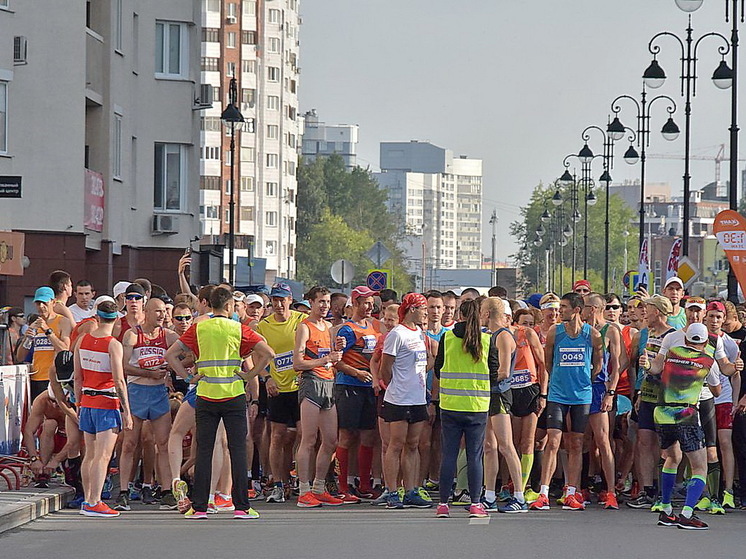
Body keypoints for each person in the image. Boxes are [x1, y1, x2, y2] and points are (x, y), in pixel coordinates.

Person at [166, 286, 274, 520]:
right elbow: (268, 352)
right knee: (236, 450)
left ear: (210, 305)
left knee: (204, 451)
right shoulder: (238, 328)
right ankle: (242, 507)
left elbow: (170, 355)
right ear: (228, 306)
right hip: (233, 394)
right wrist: (250, 374)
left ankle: (200, 508)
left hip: (205, 394)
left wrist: (187, 378)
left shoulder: (199, 327)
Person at [641, 323, 722, 530]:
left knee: (672, 458)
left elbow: (655, 368)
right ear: (705, 342)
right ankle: (687, 514)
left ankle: (666, 509)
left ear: (686, 339)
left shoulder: (671, 352)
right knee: (700, 467)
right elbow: (717, 391)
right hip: (686, 414)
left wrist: (647, 365)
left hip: (662, 412)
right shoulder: (707, 361)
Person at [530, 292, 602, 511]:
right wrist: (558, 380)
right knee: (553, 441)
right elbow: (548, 362)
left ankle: (571, 491)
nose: (559, 310)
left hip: (581, 395)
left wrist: (584, 381)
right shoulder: (555, 332)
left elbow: (598, 364)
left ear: (577, 310)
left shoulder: (593, 335)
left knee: (577, 443)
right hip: (558, 394)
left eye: (563, 306)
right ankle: (543, 492)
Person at [115, 297, 179, 510]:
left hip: (159, 393)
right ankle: (123, 491)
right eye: (158, 311)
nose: (162, 315)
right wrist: (148, 373)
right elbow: (123, 367)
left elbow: (189, 353)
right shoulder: (133, 334)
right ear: (147, 312)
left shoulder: (168, 335)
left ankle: (166, 490)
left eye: (164, 311)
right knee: (130, 443)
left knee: (163, 443)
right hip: (137, 392)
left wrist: (171, 367)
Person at [74, 300, 133, 518]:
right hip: (106, 403)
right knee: (103, 456)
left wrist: (79, 404)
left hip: (87, 402)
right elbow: (119, 380)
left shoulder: (82, 340)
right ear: (116, 319)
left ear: (97, 317)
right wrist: (127, 412)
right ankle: (94, 501)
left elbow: (77, 377)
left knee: (90, 454)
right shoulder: (113, 344)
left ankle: (88, 498)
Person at [433, 299, 491, 519]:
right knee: (474, 456)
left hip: (450, 404)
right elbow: (493, 372)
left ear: (460, 315)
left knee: (448, 454)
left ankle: (443, 505)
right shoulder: (486, 339)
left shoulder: (447, 337)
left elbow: (438, 370)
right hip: (477, 405)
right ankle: (476, 503)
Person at [292, 286, 345, 508]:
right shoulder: (305, 327)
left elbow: (329, 357)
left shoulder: (329, 327)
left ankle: (318, 487)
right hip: (311, 383)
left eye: (326, 302)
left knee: (331, 440)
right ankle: (303, 490)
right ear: (311, 303)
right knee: (309, 439)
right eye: (320, 302)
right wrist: (325, 360)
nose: (324, 306)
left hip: (328, 383)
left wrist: (337, 351)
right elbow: (297, 363)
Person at [379, 293, 432, 509]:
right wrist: (398, 384)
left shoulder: (420, 333)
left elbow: (426, 360)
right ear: (412, 309)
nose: (426, 313)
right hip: (398, 399)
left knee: (413, 445)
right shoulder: (396, 334)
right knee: (396, 444)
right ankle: (392, 491)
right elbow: (385, 368)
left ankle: (411, 490)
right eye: (423, 309)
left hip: (417, 397)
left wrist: (416, 379)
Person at [254, 282, 306, 503]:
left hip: (300, 386)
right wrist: (266, 377)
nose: (278, 304)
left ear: (290, 300)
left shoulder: (300, 321)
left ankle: (301, 480)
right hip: (278, 387)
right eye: (274, 300)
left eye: (282, 300)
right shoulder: (263, 326)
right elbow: (255, 355)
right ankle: (277, 483)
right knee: (277, 436)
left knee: (303, 434)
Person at [626, 294, 675, 508]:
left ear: (658, 311)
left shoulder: (674, 336)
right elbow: (640, 367)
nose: (644, 312)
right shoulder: (647, 334)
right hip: (646, 394)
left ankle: (663, 488)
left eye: (648, 308)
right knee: (644, 440)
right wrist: (638, 393)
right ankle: (647, 490)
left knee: (666, 446)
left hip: (666, 397)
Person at [334, 286, 383, 502]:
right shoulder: (347, 329)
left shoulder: (373, 327)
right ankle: (342, 486)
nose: (369, 308)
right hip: (348, 386)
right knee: (346, 436)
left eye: (372, 304)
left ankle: (364, 484)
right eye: (365, 303)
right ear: (355, 303)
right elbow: (336, 360)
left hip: (368, 388)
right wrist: (356, 372)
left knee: (368, 435)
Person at [481, 297, 526, 513]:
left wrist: (480, 379)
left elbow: (504, 371)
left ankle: (519, 496)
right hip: (488, 394)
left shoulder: (504, 336)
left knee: (506, 445)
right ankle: (489, 494)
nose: (480, 315)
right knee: (489, 447)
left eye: (482, 311)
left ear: (488, 313)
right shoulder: (490, 335)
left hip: (499, 394)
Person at [582, 292, 621, 509]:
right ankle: (583, 486)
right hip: (581, 387)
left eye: (586, 306)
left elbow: (616, 365)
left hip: (600, 388)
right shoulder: (582, 330)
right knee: (582, 439)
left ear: (594, 309)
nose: (583, 310)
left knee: (603, 440)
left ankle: (611, 490)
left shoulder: (610, 330)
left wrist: (611, 392)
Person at [704, 301, 741, 510]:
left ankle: (728, 490)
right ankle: (706, 492)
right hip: (703, 397)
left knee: (724, 443)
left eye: (719, 317)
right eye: (712, 316)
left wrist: (734, 401)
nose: (715, 320)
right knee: (704, 446)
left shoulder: (728, 342)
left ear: (724, 318)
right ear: (705, 317)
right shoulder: (697, 338)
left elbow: (735, 374)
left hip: (723, 398)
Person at [509, 308, 546, 504]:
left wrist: (543, 394)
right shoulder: (505, 336)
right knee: (512, 442)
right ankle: (513, 484)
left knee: (528, 442)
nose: (528, 326)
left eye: (531, 323)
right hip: (511, 390)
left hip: (530, 389)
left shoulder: (529, 335)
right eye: (524, 322)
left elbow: (543, 364)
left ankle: (523, 488)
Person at [16, 286, 73, 401]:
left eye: (44, 303)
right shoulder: (35, 325)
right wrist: (27, 338)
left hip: (55, 378)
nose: (41, 307)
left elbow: (65, 350)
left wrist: (48, 331)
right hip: (36, 377)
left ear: (53, 302)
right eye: (38, 303)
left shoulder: (62, 322)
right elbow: (20, 357)